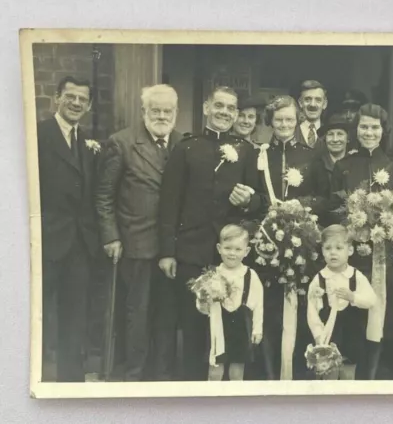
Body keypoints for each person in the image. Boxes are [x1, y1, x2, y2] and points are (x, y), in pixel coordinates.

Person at [158, 86, 262, 381]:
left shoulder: (246, 150)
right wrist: (167, 252)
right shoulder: (186, 148)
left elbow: (258, 204)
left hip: (229, 257)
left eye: (231, 108)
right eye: (219, 105)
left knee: (228, 333)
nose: (224, 112)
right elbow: (169, 203)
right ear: (206, 107)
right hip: (191, 252)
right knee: (193, 328)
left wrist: (248, 200)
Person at [95, 84, 183, 381]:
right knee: (138, 314)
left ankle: (163, 377)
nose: (161, 116)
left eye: (167, 111)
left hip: (172, 248)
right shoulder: (121, 143)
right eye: (155, 110)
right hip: (136, 244)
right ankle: (134, 376)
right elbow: (104, 195)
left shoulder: (182, 144)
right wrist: (111, 236)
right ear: (143, 111)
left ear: (176, 113)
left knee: (167, 315)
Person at [330, 103, 393, 380]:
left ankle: (371, 377)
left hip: (382, 255)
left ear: (383, 131)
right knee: (352, 314)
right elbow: (333, 207)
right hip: (352, 253)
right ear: (357, 130)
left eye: (374, 127)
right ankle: (349, 376)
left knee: (378, 312)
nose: (369, 132)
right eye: (364, 126)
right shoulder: (343, 165)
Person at [256, 95, 330, 380]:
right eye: (278, 120)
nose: (284, 124)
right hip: (269, 242)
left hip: (303, 244)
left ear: (298, 120)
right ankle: (269, 374)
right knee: (272, 307)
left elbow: (325, 197)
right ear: (270, 122)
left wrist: (304, 203)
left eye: (289, 119)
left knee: (301, 307)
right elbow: (255, 194)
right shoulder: (261, 154)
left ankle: (299, 372)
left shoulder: (311, 155)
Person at [37, 76, 100, 382]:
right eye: (70, 96)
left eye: (82, 99)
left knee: (75, 315)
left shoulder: (88, 142)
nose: (76, 103)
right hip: (46, 238)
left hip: (79, 243)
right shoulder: (39, 135)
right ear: (57, 98)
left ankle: (69, 383)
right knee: (37, 312)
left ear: (88, 106)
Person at [307, 225, 377, 380]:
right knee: (328, 374)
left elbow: (372, 300)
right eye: (328, 248)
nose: (333, 252)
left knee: (348, 375)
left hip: (351, 333)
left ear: (350, 251)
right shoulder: (319, 279)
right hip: (328, 336)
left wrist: (353, 298)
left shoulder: (355, 276)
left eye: (339, 248)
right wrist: (319, 336)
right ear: (322, 251)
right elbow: (312, 312)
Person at [207, 224, 264, 381]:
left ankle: (235, 403)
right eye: (227, 248)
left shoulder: (250, 275)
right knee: (215, 369)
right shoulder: (213, 274)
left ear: (246, 252)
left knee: (237, 370)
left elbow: (258, 305)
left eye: (238, 249)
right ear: (219, 248)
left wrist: (257, 329)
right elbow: (202, 305)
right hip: (218, 326)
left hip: (240, 326)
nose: (232, 253)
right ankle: (211, 402)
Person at [317, 112, 353, 191]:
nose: (335, 139)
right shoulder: (317, 166)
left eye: (340, 134)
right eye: (330, 134)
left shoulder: (354, 163)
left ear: (347, 138)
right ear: (325, 138)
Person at [296, 80, 328, 149]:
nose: (312, 104)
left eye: (318, 100)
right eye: (307, 99)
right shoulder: (291, 133)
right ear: (300, 103)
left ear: (324, 104)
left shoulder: (329, 134)